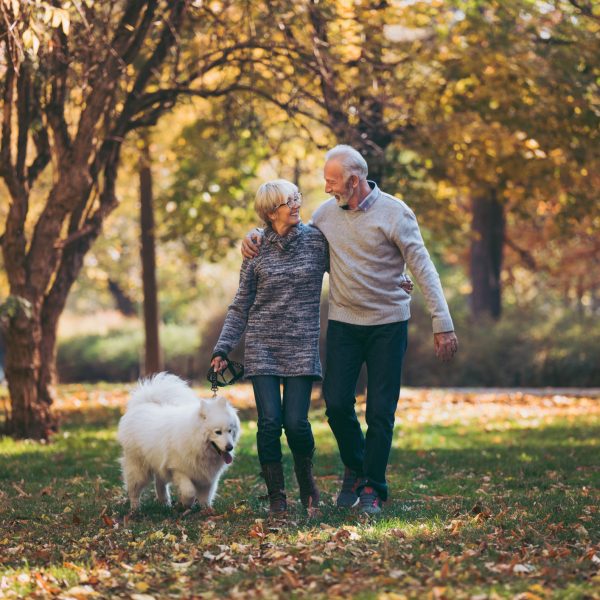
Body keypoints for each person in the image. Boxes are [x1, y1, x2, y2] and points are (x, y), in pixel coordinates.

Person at [241, 145, 458, 515]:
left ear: (353, 181)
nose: (325, 189)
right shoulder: (325, 216)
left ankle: (373, 486)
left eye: (332, 181)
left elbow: (423, 269)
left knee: (380, 411)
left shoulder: (396, 213)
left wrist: (443, 324)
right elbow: (293, 243)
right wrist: (253, 236)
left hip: (388, 324)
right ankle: (356, 467)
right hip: (344, 323)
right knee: (338, 403)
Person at [211, 179, 328, 515]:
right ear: (269, 211)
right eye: (287, 201)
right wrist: (222, 349)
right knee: (268, 423)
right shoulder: (256, 247)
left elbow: (352, 268)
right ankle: (277, 495)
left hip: (301, 345)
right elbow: (241, 302)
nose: (295, 205)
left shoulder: (317, 241)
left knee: (296, 424)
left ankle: (307, 484)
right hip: (263, 345)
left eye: (296, 198)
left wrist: (396, 278)